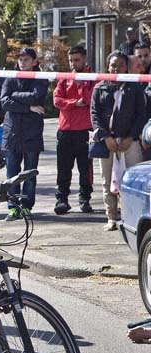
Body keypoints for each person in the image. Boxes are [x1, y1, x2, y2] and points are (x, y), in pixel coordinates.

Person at [90, 51, 146, 231]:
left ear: (126, 68)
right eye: (113, 65)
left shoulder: (134, 88)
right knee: (107, 180)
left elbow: (141, 114)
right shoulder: (100, 88)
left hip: (130, 141)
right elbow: (94, 114)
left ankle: (131, 217)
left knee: (133, 180)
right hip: (107, 141)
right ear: (108, 66)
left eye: (121, 65)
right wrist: (106, 137)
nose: (116, 68)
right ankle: (111, 217)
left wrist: (131, 137)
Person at [0, 47, 48, 221]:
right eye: (20, 59)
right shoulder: (10, 78)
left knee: (29, 173)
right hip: (12, 132)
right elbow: (5, 102)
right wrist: (28, 107)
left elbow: (36, 96)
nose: (22, 62)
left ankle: (27, 206)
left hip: (31, 133)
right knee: (12, 174)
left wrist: (16, 97)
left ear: (35, 62)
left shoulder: (40, 78)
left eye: (26, 59)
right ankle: (13, 207)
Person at [52, 45, 94, 215]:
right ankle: (62, 199)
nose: (73, 64)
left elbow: (91, 100)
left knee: (85, 168)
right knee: (63, 167)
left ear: (84, 59)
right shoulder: (64, 78)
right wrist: (73, 104)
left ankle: (85, 199)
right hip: (65, 130)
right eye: (70, 60)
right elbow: (56, 100)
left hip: (84, 130)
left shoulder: (93, 77)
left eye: (76, 60)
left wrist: (81, 86)